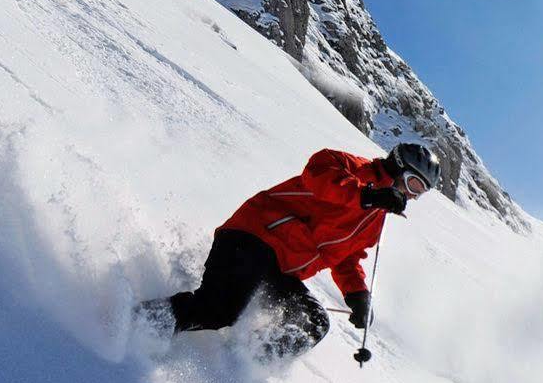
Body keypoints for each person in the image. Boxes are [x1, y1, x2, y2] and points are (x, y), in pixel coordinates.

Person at [139, 143, 438, 361]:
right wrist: (367, 195)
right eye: (413, 183)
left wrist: (358, 295)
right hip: (254, 236)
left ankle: (241, 363)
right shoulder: (350, 168)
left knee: (314, 323)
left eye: (420, 192)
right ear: (398, 168)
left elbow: (347, 258)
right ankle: (137, 324)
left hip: (280, 269)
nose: (411, 195)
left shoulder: (375, 220)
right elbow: (318, 176)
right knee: (218, 311)